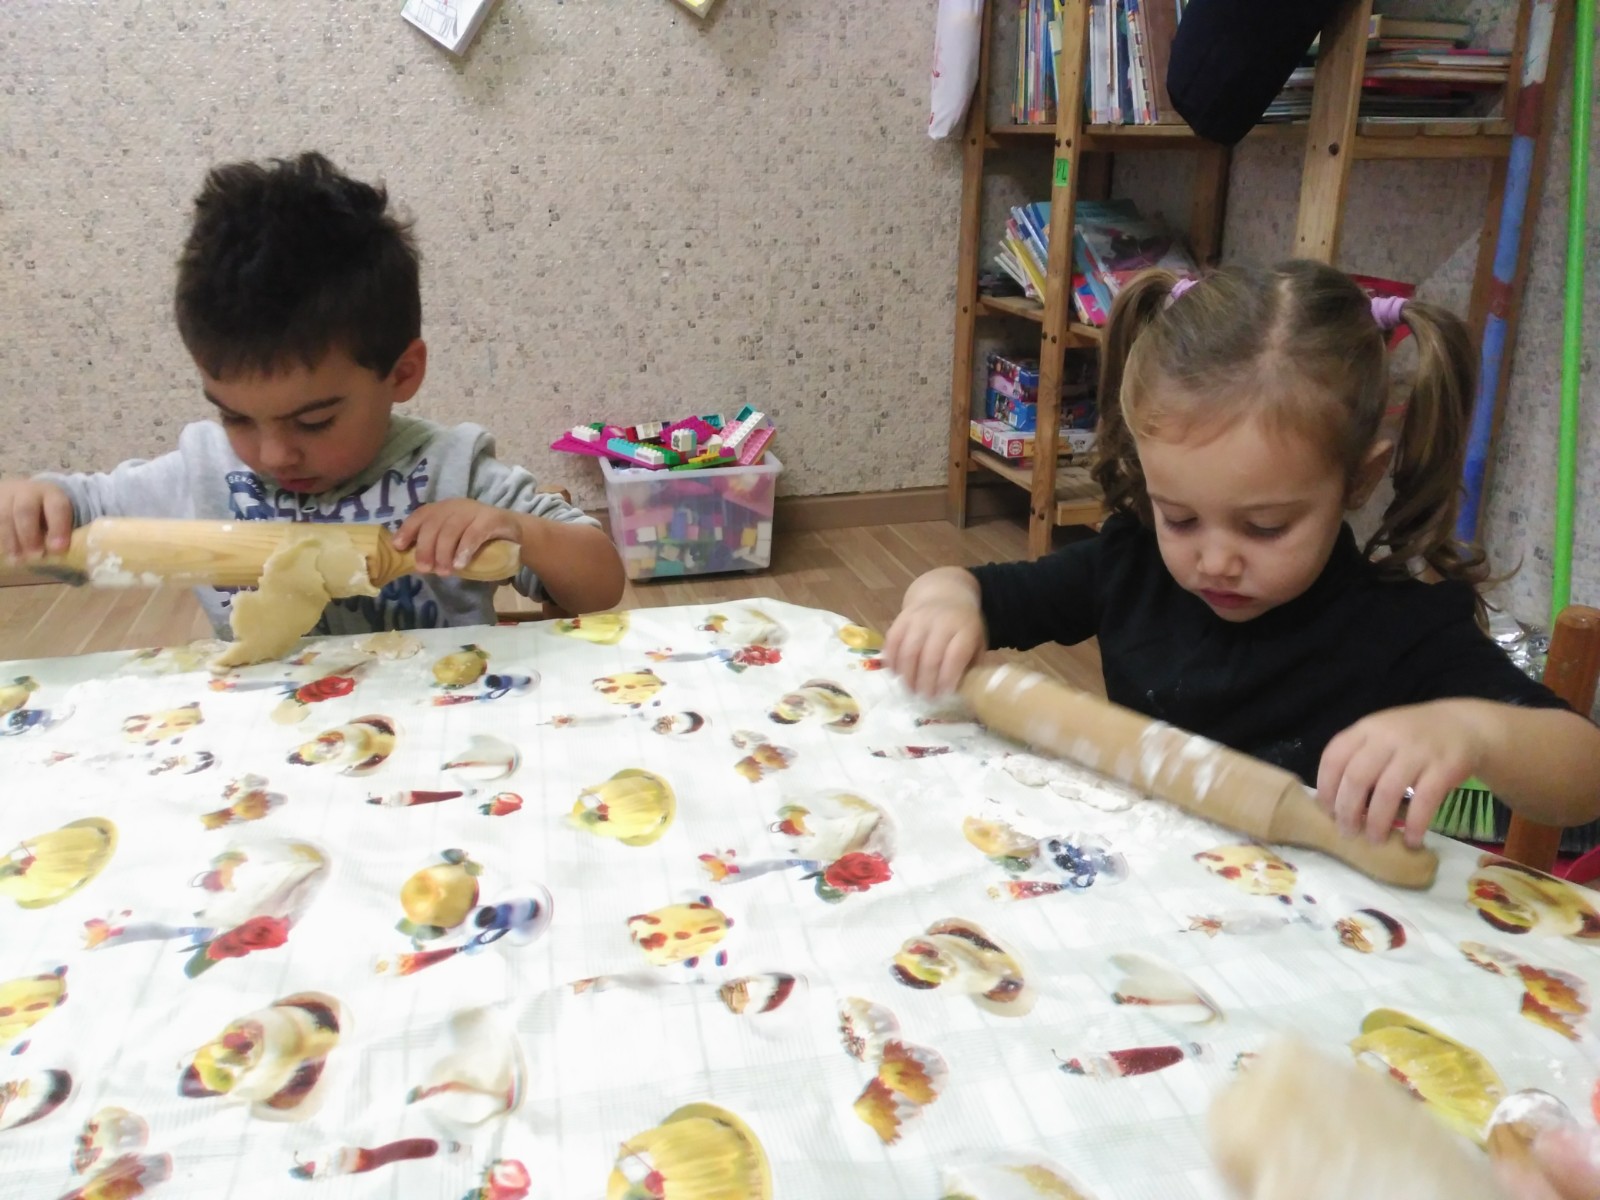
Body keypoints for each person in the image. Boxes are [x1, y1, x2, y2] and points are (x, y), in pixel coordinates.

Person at [886, 260, 1600, 846]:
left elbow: (1582, 773)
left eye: (1264, 528)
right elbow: (975, 588)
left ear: (1359, 480)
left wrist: (1472, 730)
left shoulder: (1396, 629)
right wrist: (944, 603)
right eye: (1180, 517)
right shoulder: (1131, 566)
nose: (1216, 561)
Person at [0, 151, 624, 634]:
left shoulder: (450, 473)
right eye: (236, 418)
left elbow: (600, 586)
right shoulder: (201, 473)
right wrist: (30, 502)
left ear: (401, 374)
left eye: (314, 421)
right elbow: (75, 514)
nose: (273, 454)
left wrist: (519, 530)